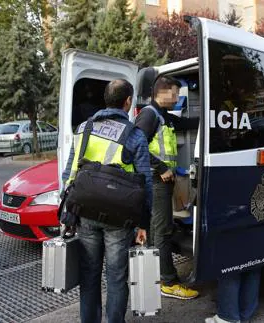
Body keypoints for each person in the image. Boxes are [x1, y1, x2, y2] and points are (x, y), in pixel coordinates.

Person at [61, 79, 153, 323]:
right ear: (127, 101)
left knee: (89, 274)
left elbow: (69, 172)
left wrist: (69, 210)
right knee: (116, 276)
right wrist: (144, 222)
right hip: (119, 218)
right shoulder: (134, 135)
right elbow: (145, 183)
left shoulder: (83, 128)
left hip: (86, 211)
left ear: (106, 100)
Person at [134, 76, 199, 300]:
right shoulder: (149, 115)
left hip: (163, 182)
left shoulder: (164, 117)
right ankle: (168, 282)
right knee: (162, 231)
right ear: (163, 92)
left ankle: (154, 275)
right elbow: (135, 145)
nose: (178, 98)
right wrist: (160, 167)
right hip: (155, 181)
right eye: (176, 93)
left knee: (156, 230)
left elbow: (188, 123)